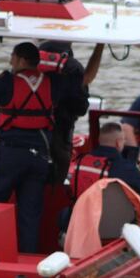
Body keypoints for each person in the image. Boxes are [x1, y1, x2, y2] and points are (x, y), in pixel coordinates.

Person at [0, 35, 79, 253]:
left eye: (12, 57)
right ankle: (26, 261)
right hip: (39, 159)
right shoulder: (53, 83)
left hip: (10, 156)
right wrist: (97, 50)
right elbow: (84, 79)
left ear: (22, 60)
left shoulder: (7, 82)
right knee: (29, 217)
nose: (10, 61)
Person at [38, 41, 105, 184]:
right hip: (59, 139)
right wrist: (100, 45)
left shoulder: (25, 77)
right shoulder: (72, 74)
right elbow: (81, 106)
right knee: (52, 185)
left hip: (21, 140)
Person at [70, 122, 140, 198]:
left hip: (77, 215)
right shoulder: (123, 167)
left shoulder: (81, 160)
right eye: (124, 140)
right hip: (103, 219)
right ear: (118, 143)